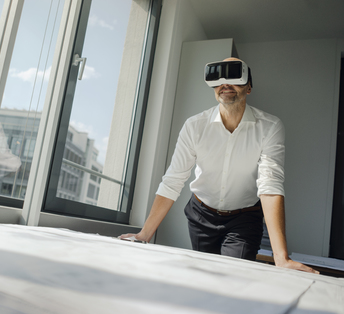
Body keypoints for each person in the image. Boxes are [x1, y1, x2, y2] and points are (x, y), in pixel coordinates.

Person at [120, 57, 318, 274]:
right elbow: (174, 179)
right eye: (219, 79)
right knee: (204, 274)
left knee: (232, 275)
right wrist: (143, 235)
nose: (225, 84)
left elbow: (270, 185)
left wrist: (281, 258)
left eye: (234, 76)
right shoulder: (194, 126)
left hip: (244, 218)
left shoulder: (269, 127)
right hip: (201, 213)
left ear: (249, 87)